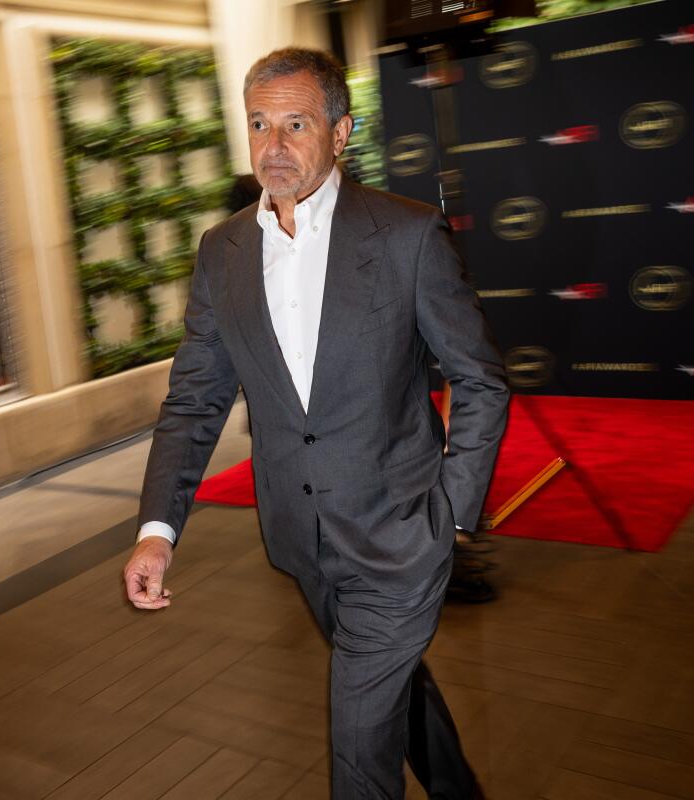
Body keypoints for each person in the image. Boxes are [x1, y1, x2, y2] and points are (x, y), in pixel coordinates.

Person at [122, 48, 507, 799]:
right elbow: (196, 401)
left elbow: (479, 377)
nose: (274, 146)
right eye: (259, 124)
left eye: (296, 124)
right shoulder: (222, 252)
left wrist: (453, 514)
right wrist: (156, 532)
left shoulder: (407, 236)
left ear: (339, 133)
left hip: (402, 537)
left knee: (358, 745)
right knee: (393, 693)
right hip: (302, 542)